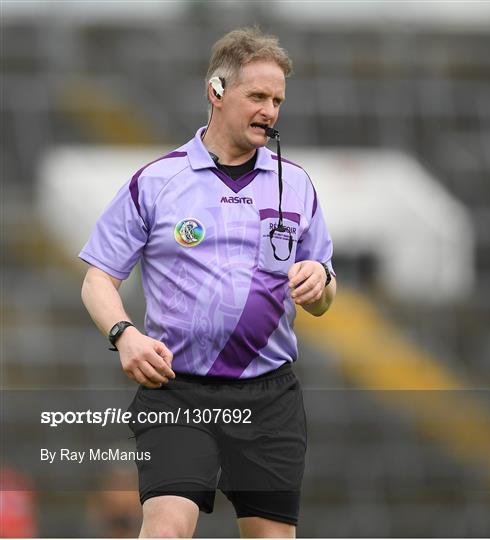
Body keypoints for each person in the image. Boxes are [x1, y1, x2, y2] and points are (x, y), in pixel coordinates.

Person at [80, 27, 336, 539]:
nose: (270, 110)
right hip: (177, 391)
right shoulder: (157, 181)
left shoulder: (298, 184)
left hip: (268, 397)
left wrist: (320, 280)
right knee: (167, 529)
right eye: (257, 96)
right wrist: (123, 334)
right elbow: (97, 278)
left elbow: (324, 296)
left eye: (278, 100)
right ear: (216, 92)